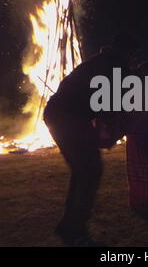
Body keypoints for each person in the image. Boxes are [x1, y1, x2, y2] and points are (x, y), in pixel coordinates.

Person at [43, 34, 140, 246]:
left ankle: (69, 225)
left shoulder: (105, 62)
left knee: (83, 171)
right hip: (67, 116)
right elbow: (109, 106)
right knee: (90, 170)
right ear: (130, 53)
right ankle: (73, 231)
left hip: (63, 114)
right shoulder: (116, 65)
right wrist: (110, 132)